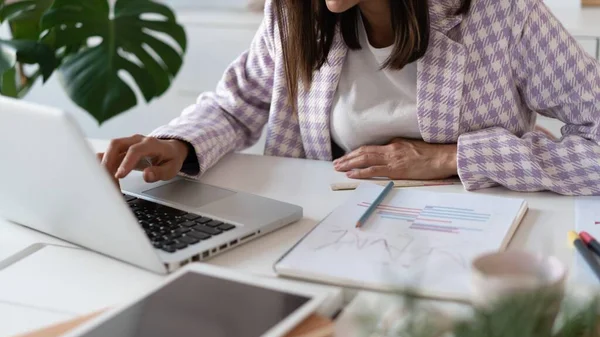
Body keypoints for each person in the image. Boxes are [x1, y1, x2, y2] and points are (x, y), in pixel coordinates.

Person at [100, 0, 600, 195]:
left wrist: (452, 157)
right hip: (328, 223)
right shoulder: (294, 15)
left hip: (472, 224)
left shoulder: (503, 16)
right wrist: (179, 143)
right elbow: (238, 103)